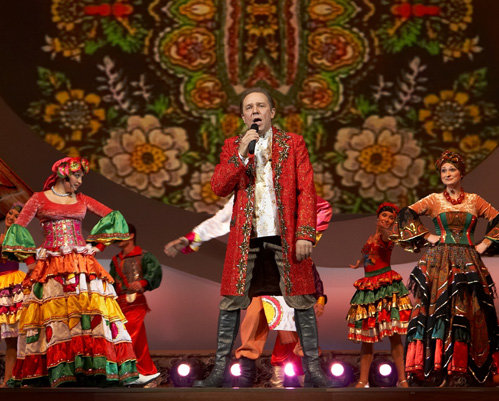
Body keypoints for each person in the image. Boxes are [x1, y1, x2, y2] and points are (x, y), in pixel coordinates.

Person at [190, 87, 331, 387]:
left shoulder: (293, 143)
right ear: (243, 116)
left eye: (261, 105)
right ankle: (219, 372)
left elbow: (306, 190)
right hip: (247, 238)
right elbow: (218, 187)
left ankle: (314, 371)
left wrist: (306, 233)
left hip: (285, 236)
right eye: (249, 107)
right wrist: (241, 153)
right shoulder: (233, 146)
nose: (255, 111)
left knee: (302, 300)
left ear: (272, 112)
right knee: (231, 302)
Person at [165, 195, 332, 387]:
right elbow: (222, 219)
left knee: (300, 321)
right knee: (253, 321)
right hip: (259, 264)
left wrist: (304, 237)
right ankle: (244, 376)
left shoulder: (291, 184)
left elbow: (322, 208)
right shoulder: (245, 191)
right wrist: (192, 238)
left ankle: (312, 374)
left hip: (288, 262)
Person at [1, 157, 138, 387]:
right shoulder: (39, 198)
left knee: (86, 314)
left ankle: (89, 369)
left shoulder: (82, 199)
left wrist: (97, 247)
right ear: (64, 174)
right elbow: (17, 229)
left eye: (81, 176)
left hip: (81, 265)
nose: (80, 181)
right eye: (77, 175)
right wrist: (31, 261)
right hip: (52, 266)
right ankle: (59, 370)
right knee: (57, 320)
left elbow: (114, 216)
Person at [392, 150, 499, 385]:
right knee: (437, 310)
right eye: (443, 171)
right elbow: (406, 214)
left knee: (469, 310)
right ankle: (436, 368)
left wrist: (484, 243)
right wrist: (428, 236)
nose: (447, 174)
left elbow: (498, 218)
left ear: (461, 173)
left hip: (468, 260)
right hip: (439, 261)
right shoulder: (434, 200)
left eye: (452, 169)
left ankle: (462, 369)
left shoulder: (475, 200)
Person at [346, 202, 412, 388]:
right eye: (385, 216)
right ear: (378, 217)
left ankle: (402, 379)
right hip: (369, 288)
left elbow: (387, 237)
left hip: (385, 286)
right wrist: (359, 264)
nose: (387, 219)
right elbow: (369, 255)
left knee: (394, 335)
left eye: (391, 218)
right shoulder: (371, 237)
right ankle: (363, 380)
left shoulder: (387, 235)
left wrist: (387, 229)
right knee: (367, 338)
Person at [110, 223, 162, 386]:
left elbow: (155, 273)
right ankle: (148, 372)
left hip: (136, 303)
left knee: (129, 336)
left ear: (131, 235)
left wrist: (142, 283)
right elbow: (112, 281)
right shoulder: (116, 260)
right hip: (119, 304)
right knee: (137, 341)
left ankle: (128, 373)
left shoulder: (144, 256)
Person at [0, 204, 25, 387]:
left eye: (16, 216)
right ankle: (8, 379)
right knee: (10, 340)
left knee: (16, 338)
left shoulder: (20, 240)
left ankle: (13, 379)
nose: (11, 217)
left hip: (13, 288)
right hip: (2, 286)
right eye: (10, 213)